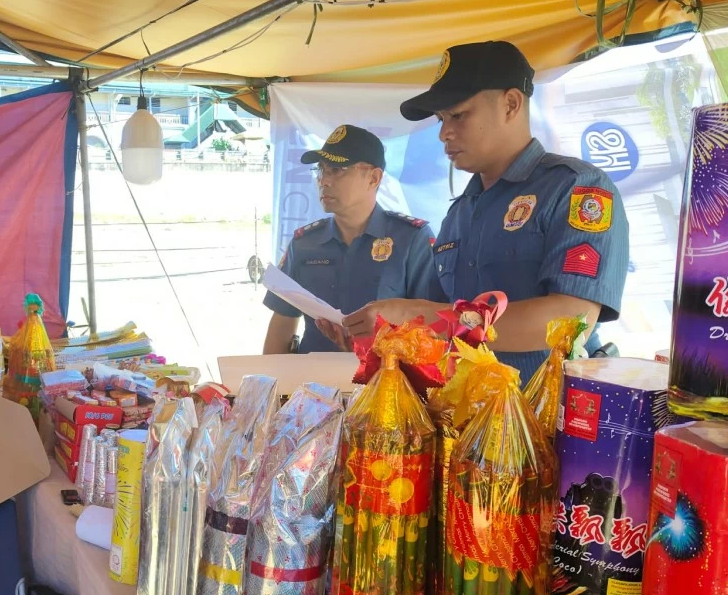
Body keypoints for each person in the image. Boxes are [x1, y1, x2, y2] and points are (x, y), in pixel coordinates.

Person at [342, 41, 630, 384]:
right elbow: (439, 329)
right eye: (441, 119)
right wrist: (384, 333)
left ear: (510, 104)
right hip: (465, 421)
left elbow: (571, 319)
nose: (444, 133)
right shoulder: (459, 213)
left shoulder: (576, 189)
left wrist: (424, 315)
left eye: (458, 115)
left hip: (549, 422)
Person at [263, 125, 436, 354]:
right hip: (315, 384)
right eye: (321, 170)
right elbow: (282, 323)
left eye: (336, 169)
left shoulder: (411, 239)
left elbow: (433, 325)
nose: (323, 180)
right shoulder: (304, 243)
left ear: (373, 178)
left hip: (385, 382)